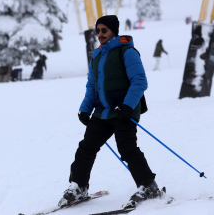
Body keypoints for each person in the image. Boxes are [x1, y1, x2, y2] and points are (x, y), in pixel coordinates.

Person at [59, 15, 159, 210]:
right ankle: (79, 186)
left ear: (114, 30)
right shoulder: (97, 55)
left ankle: (148, 186)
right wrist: (85, 108)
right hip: (103, 112)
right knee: (86, 148)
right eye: (98, 30)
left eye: (104, 30)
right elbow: (91, 86)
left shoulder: (127, 52)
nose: (100, 34)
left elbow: (140, 81)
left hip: (124, 111)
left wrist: (128, 106)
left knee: (127, 149)